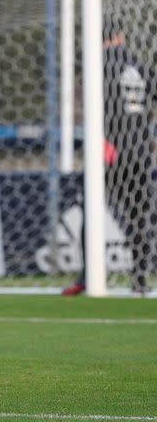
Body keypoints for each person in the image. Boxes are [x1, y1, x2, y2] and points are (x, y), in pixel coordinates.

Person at [63, 18, 155, 296]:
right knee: (140, 216)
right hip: (140, 151)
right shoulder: (138, 66)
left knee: (90, 210)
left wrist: (104, 142)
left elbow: (96, 105)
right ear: (121, 37)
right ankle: (140, 280)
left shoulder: (98, 64)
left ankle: (88, 276)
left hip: (110, 152)